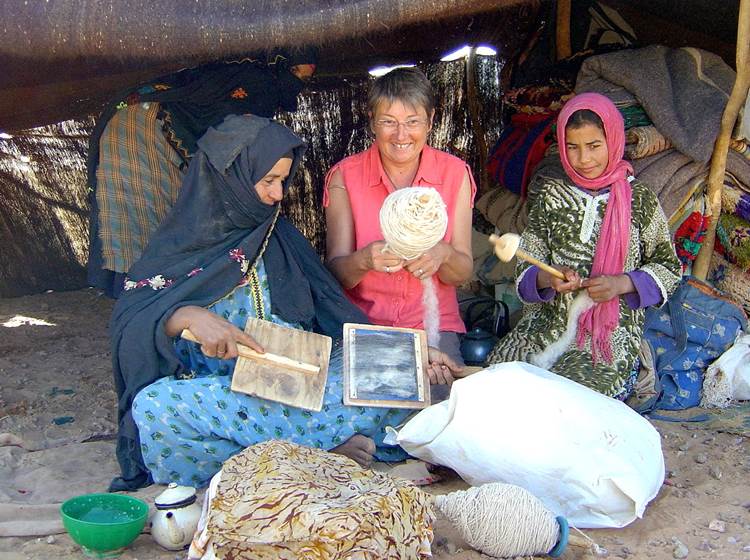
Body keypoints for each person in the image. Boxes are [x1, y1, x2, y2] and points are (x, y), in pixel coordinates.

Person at [111, 115, 453, 490]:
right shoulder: (179, 247)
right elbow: (132, 322)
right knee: (155, 408)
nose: (278, 194)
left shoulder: (278, 235)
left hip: (303, 381)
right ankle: (316, 452)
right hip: (225, 395)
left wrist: (408, 355)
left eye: (282, 181)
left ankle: (289, 456)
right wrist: (183, 316)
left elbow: (334, 314)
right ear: (231, 179)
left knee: (396, 382)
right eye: (268, 181)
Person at [487, 92, 681, 398]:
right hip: (544, 326)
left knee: (572, 399)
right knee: (498, 382)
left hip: (607, 337)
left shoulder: (639, 199)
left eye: (594, 146)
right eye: (573, 148)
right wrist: (547, 277)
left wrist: (622, 283)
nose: (584, 159)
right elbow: (528, 262)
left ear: (613, 141)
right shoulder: (551, 195)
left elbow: (669, 267)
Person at [88, 50, 317, 297]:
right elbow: (236, 149)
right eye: (294, 72)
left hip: (149, 124)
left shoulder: (252, 76)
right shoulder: (259, 84)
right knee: (145, 211)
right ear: (279, 65)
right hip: (142, 127)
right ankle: (142, 293)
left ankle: (152, 291)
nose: (296, 82)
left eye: (304, 78)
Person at [324, 67, 475, 387]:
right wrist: (365, 259)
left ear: (430, 120)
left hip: (432, 327)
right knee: (360, 408)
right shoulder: (345, 176)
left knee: (437, 407)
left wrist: (443, 254)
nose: (401, 134)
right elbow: (335, 274)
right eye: (388, 121)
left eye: (412, 122)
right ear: (372, 122)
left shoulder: (454, 174)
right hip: (363, 326)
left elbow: (462, 271)